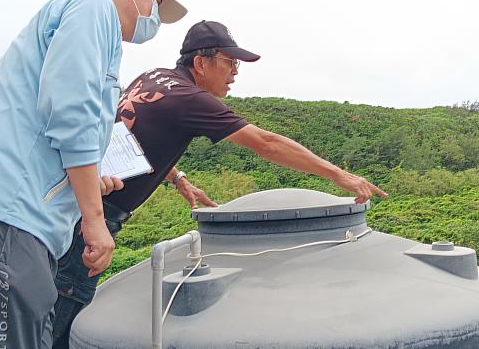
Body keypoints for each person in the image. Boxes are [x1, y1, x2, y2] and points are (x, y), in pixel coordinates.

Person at [52, 20, 387, 347]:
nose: (236, 72)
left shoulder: (153, 78)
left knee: (52, 309)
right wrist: (339, 175)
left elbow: (130, 133)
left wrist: (177, 176)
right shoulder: (190, 98)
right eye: (230, 62)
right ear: (201, 62)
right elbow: (265, 143)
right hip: (92, 218)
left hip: (71, 203)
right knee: (61, 318)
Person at [0, 0, 187, 349]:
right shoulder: (94, 8)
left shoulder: (84, 22)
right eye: (156, 4)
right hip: (4, 217)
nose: (153, 19)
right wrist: (94, 221)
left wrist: (87, 181)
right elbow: (69, 108)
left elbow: (47, 125)